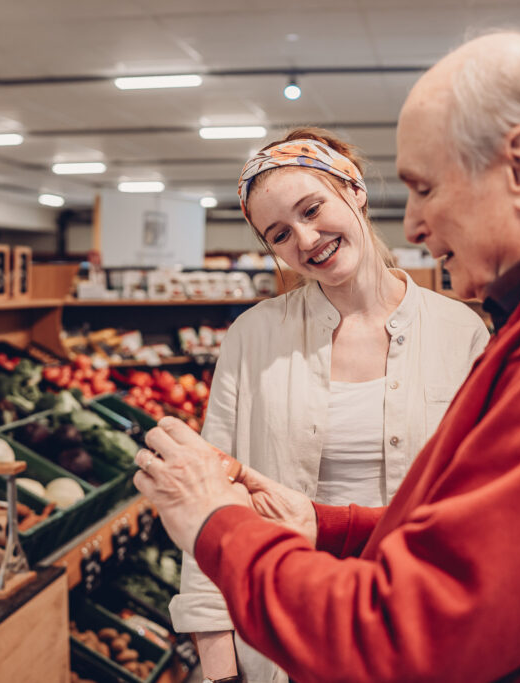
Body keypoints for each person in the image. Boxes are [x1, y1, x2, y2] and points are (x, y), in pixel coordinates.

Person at [134, 30, 520, 683]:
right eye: (280, 233)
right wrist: (327, 525)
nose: (416, 226)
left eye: (425, 188)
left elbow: (406, 632)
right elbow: (492, 543)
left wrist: (216, 521)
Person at [169, 128, 489, 682]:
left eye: (312, 208)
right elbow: (210, 508)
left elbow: (486, 507)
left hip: (426, 637)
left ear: (355, 191)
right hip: (286, 641)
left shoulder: (458, 331)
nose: (306, 238)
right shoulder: (253, 337)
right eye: (280, 234)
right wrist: (220, 674)